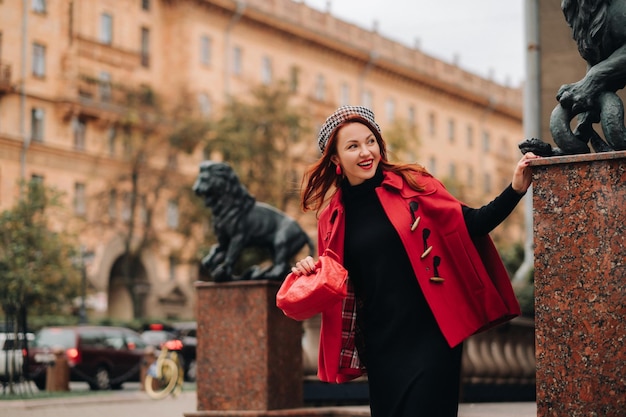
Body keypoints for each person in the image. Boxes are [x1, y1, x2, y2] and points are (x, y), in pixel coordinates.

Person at [290, 105, 539, 417]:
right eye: (353, 146)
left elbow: (473, 224)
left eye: (371, 141)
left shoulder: (414, 185)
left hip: (433, 333)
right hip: (381, 342)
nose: (366, 152)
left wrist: (516, 188)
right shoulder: (331, 217)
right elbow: (333, 279)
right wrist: (307, 272)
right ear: (336, 159)